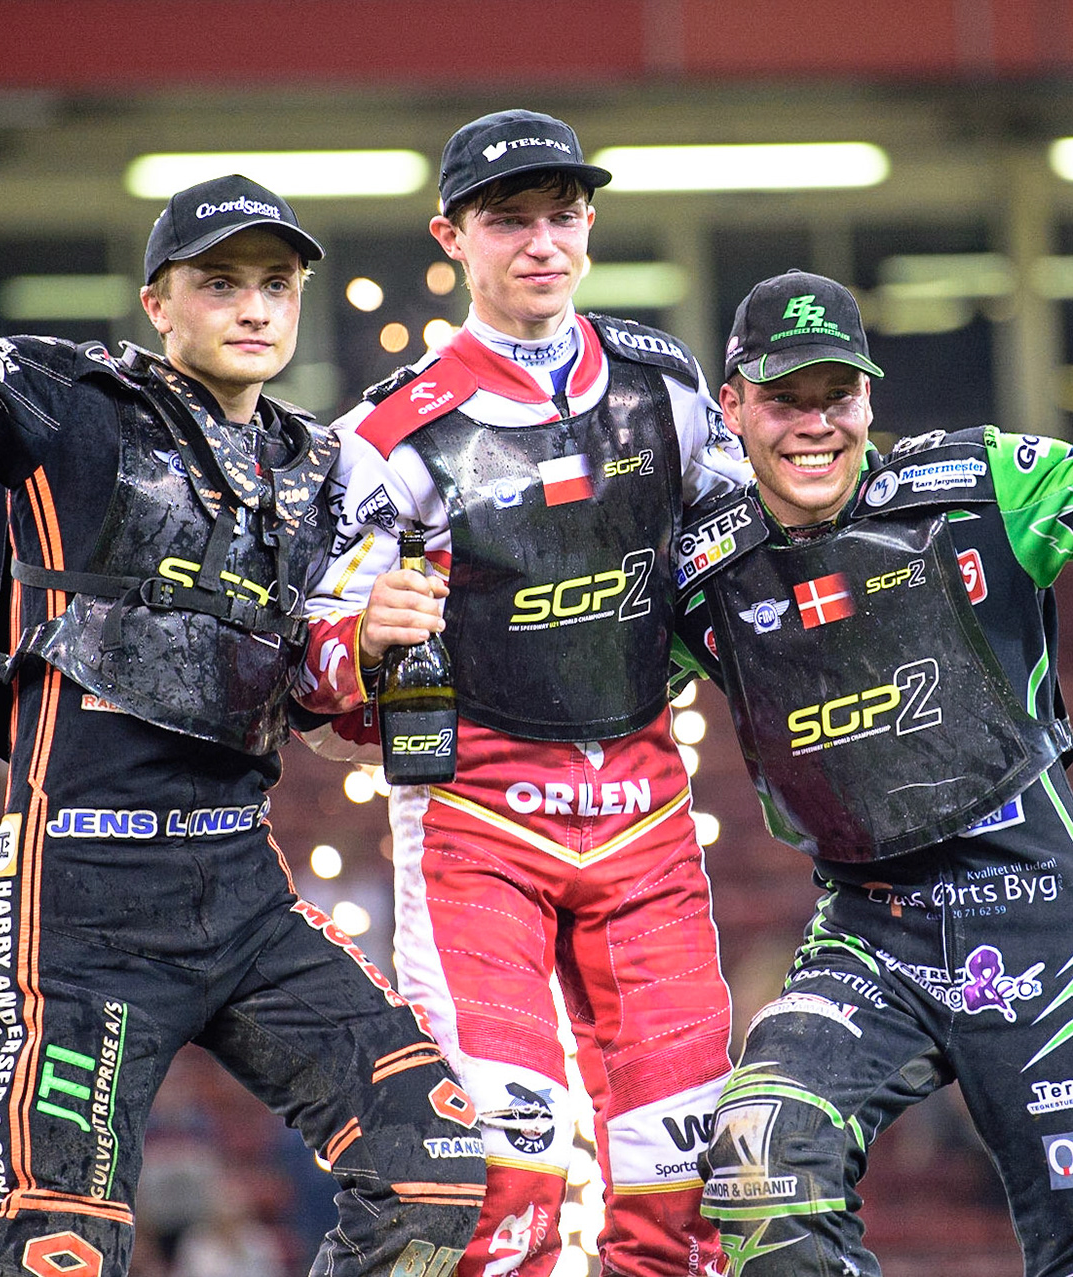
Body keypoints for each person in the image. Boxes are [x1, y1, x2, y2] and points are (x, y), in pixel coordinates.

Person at [0, 70, 484, 1277]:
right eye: (220, 282)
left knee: (432, 1158)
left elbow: (309, 681)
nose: (253, 307)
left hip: (240, 882)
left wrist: (376, 642)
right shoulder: (70, 403)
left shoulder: (314, 469)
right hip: (81, 892)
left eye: (274, 285)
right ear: (160, 303)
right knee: (60, 1248)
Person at [674, 217, 1073, 1275]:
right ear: (732, 408)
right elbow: (568, 684)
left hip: (1044, 920)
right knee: (762, 1156)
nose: (813, 426)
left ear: (871, 401)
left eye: (837, 397)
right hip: (871, 928)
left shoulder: (980, 486)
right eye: (783, 400)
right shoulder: (701, 567)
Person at [299, 109, 747, 1277]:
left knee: (682, 1190)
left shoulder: (669, 386)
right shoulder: (385, 437)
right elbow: (303, 655)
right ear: (453, 236)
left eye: (562, 214)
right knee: (506, 1186)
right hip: (473, 825)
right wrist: (359, 639)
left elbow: (745, 557)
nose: (540, 241)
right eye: (509, 220)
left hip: (648, 814)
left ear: (591, 223)